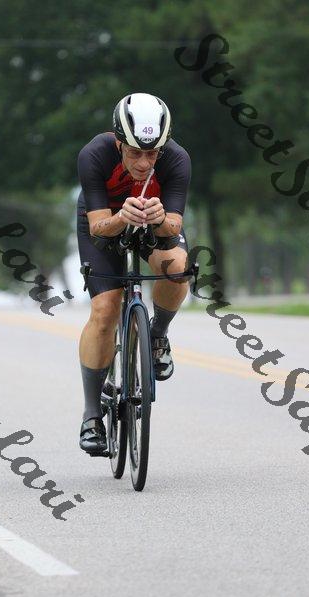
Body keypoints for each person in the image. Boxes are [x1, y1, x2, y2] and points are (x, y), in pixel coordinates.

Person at [77, 92, 191, 454]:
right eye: (134, 152)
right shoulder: (95, 154)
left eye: (152, 153)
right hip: (105, 223)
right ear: (118, 142)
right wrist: (121, 217)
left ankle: (157, 335)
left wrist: (160, 219)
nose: (144, 163)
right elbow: (98, 228)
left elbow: (174, 225)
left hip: (153, 222)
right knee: (105, 310)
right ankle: (92, 415)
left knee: (178, 269)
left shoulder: (177, 159)